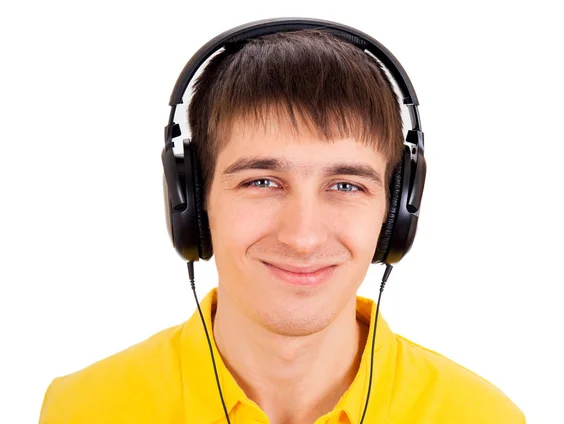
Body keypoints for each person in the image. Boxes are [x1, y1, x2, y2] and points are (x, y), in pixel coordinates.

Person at [39, 22, 526, 424]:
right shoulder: (81, 409)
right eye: (261, 182)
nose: (302, 236)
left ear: (396, 212)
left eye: (346, 185)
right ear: (191, 202)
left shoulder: (482, 415)